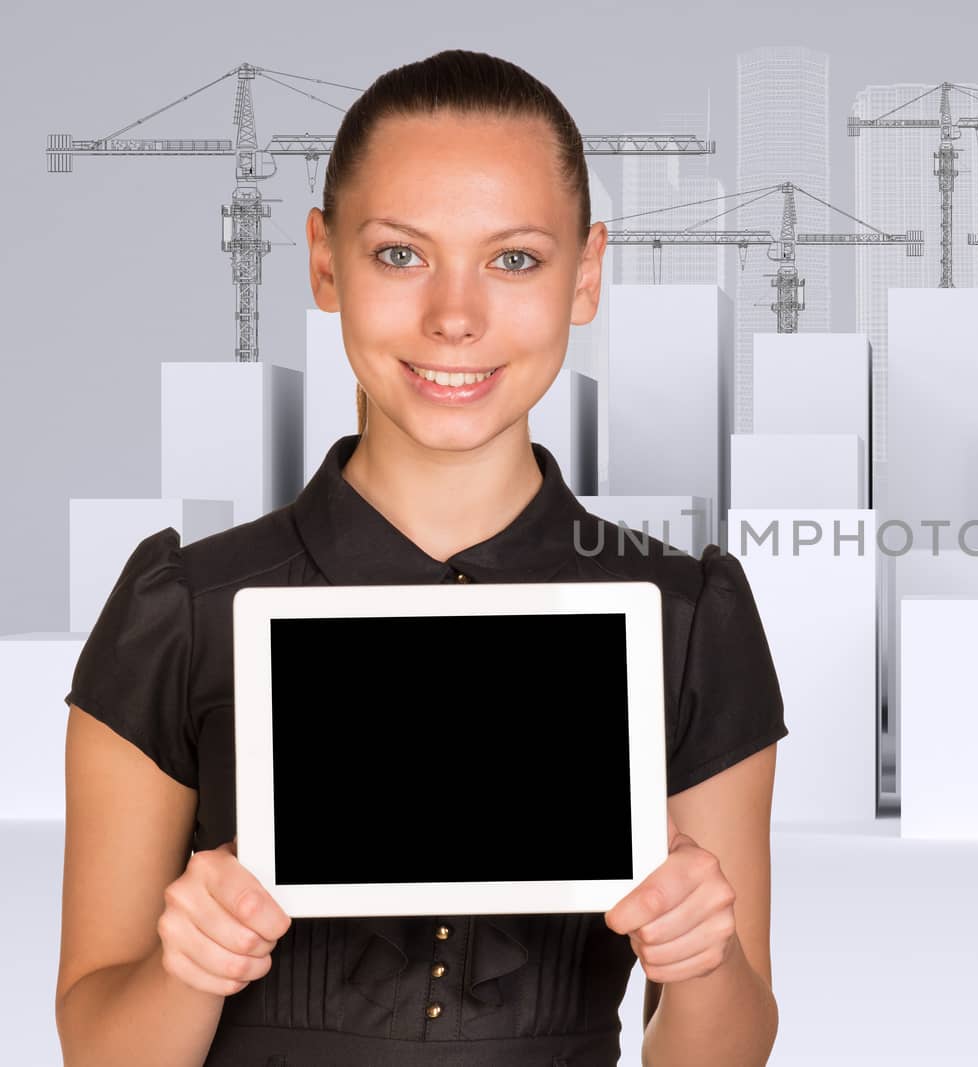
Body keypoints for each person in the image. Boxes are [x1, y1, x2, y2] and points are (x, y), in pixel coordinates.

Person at [55, 49, 788, 1067]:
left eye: (515, 258)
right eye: (400, 254)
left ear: (586, 275)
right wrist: (189, 963)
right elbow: (98, 1049)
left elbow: (726, 1047)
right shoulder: (178, 608)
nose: (454, 316)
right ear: (324, 261)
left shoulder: (689, 614)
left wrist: (702, 955)